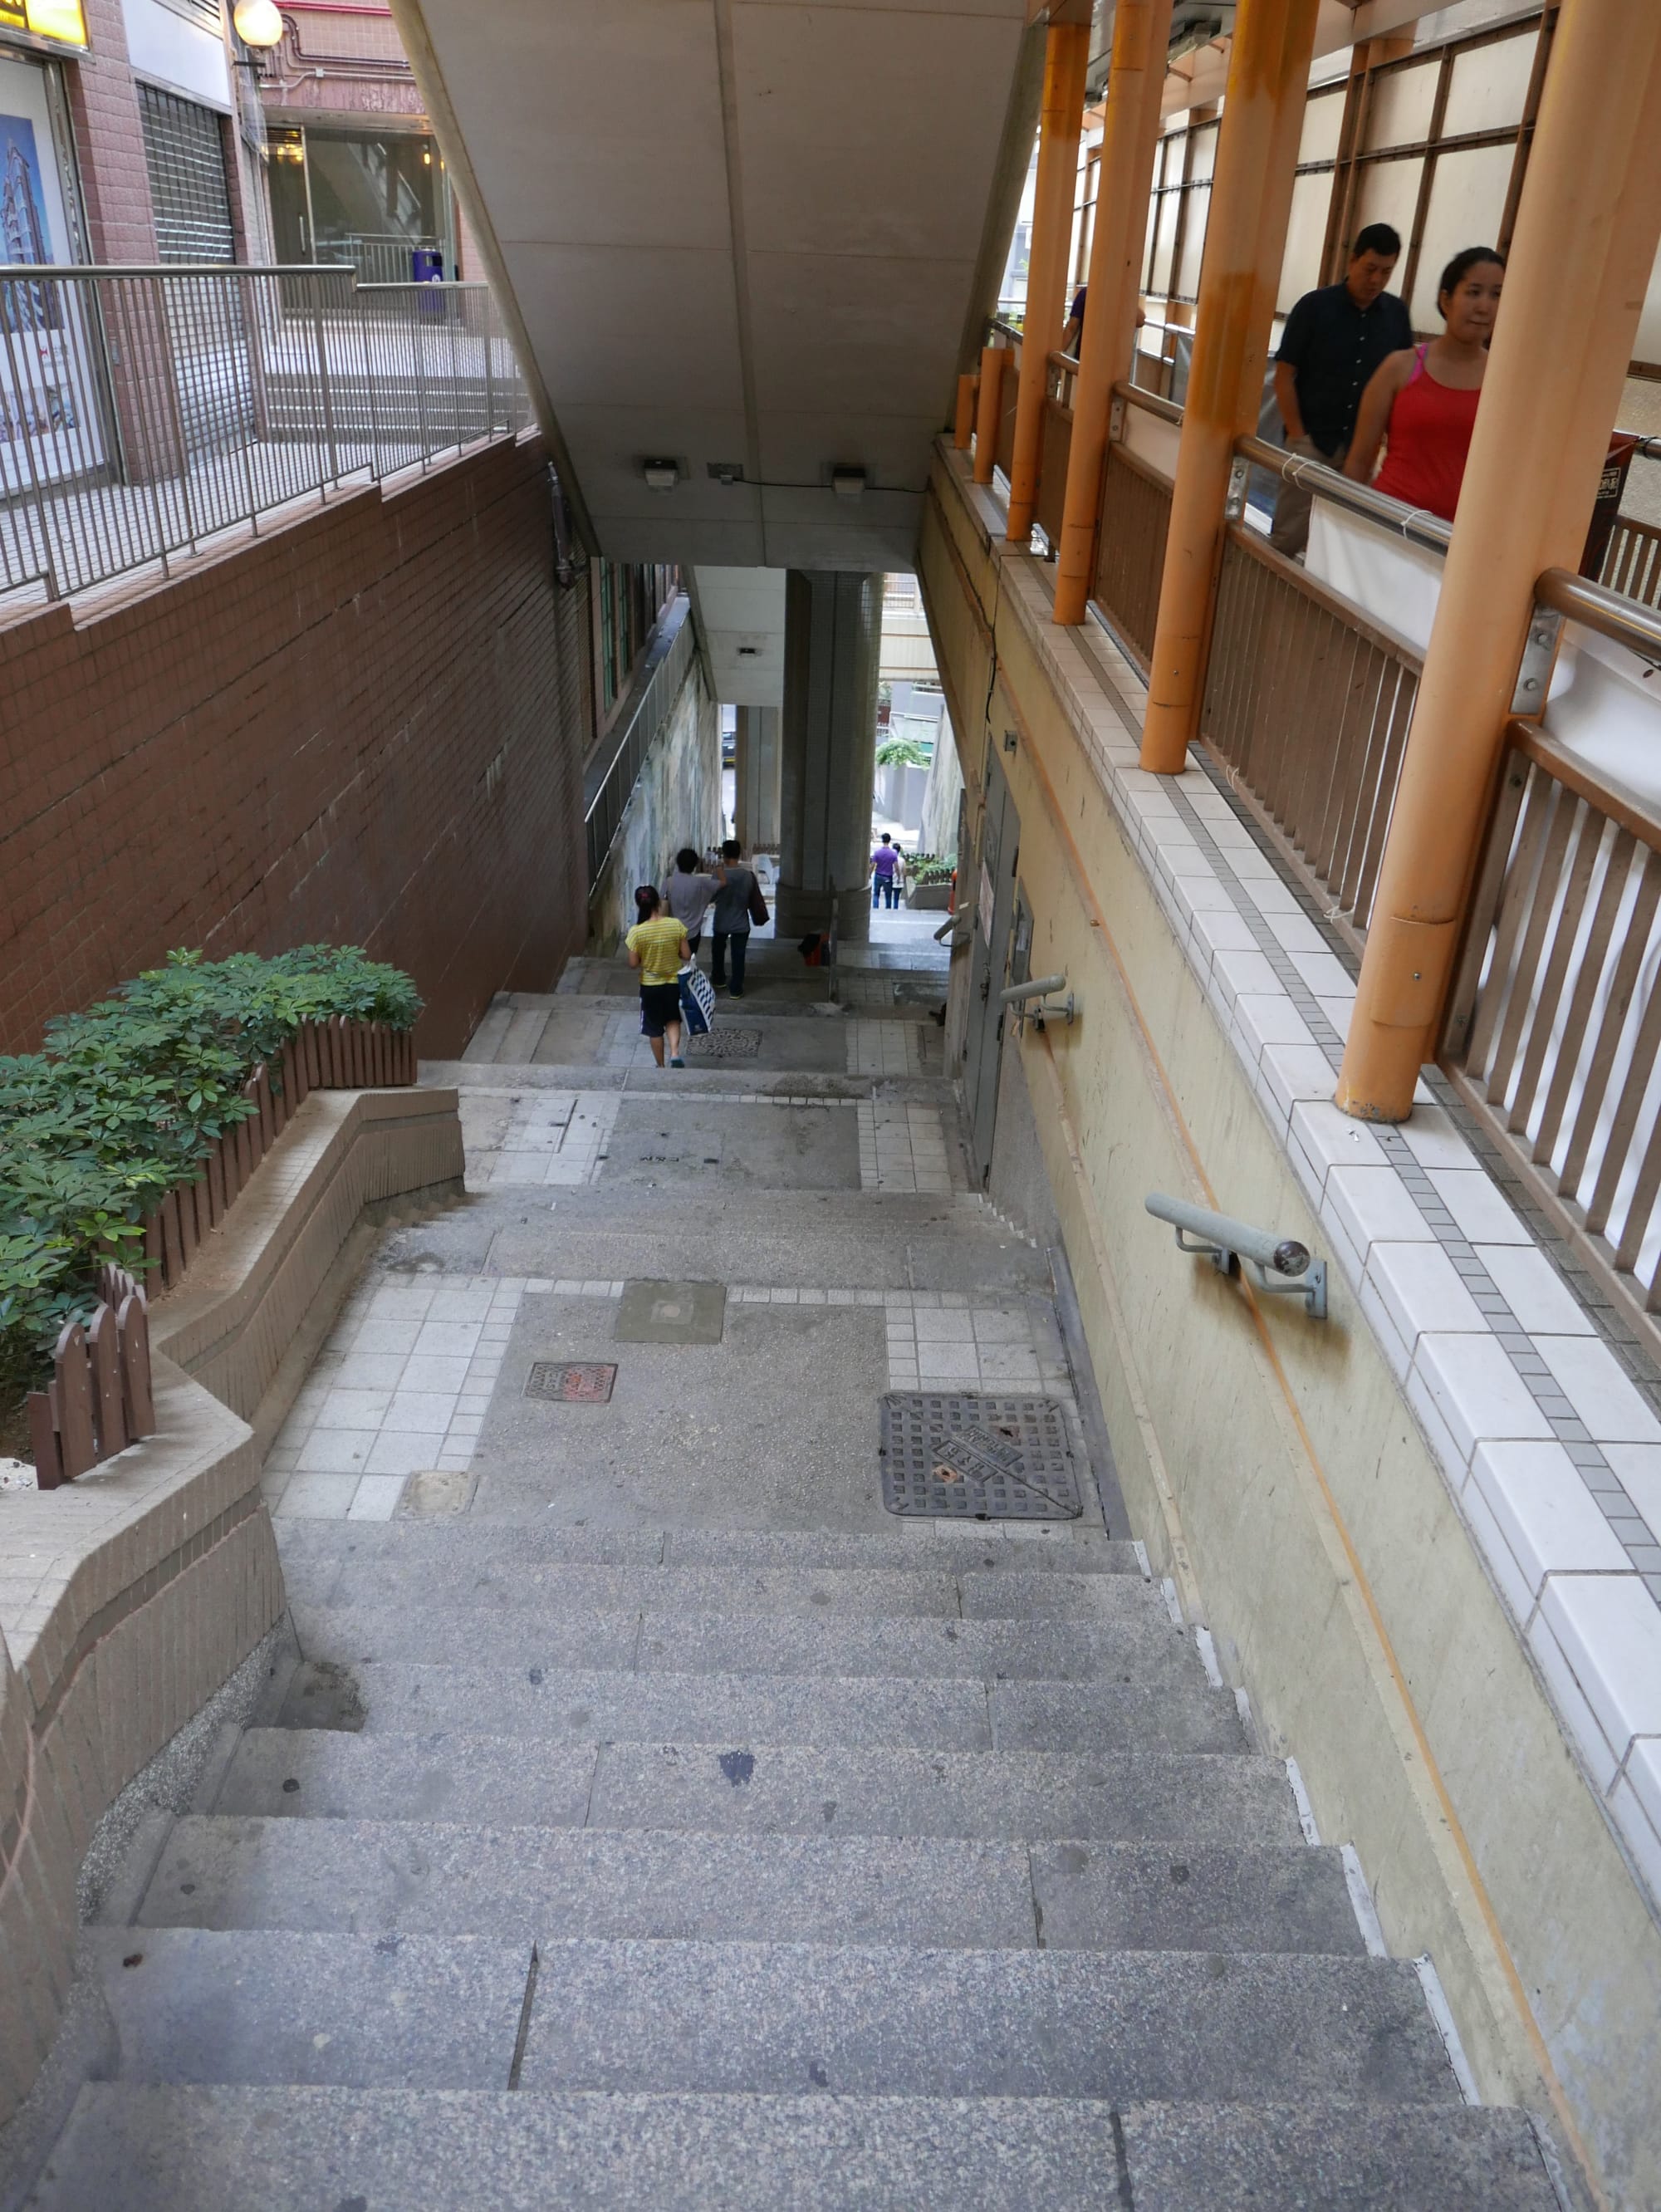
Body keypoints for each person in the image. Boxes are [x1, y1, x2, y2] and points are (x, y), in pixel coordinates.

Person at [1270, 223, 1414, 560]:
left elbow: (1402, 385)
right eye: (1370, 269)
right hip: (1312, 442)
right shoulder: (1314, 307)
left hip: (1362, 450)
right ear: (1352, 262)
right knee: (1289, 535)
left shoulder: (1396, 316)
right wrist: (1297, 435)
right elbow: (1283, 375)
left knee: (1347, 541)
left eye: (1387, 272)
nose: (1377, 280)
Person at [1345, 247, 1504, 526]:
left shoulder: (1506, 380)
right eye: (1473, 292)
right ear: (1446, 299)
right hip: (1388, 524)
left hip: (1458, 542)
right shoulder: (1400, 367)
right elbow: (1359, 462)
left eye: (1496, 294)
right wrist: (1343, 524)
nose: (1484, 306)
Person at [625, 885, 690, 1068]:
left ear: (639, 905)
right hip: (673, 983)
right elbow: (686, 955)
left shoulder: (636, 932)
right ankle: (675, 1053)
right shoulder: (675, 925)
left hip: (650, 986)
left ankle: (660, 1065)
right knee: (672, 1018)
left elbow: (632, 963)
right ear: (658, 902)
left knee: (654, 1027)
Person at [709, 838, 759, 996]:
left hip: (721, 921)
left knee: (718, 951)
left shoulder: (718, 875)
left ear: (724, 855)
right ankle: (736, 989)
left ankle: (718, 979)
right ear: (739, 854)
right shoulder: (748, 876)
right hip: (741, 922)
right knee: (739, 955)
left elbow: (711, 897)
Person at [661, 846, 721, 963]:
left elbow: (661, 903)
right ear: (694, 866)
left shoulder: (669, 881)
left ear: (678, 863)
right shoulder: (701, 883)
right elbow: (722, 884)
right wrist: (719, 870)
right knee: (689, 962)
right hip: (693, 932)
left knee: (672, 962)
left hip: (672, 931)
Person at [870, 832, 900, 910]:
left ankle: (875, 908)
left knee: (876, 894)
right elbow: (896, 867)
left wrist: (869, 874)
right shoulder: (893, 854)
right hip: (888, 876)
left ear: (882, 840)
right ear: (889, 841)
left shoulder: (877, 853)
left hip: (878, 875)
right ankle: (888, 910)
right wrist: (899, 877)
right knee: (888, 895)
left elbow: (873, 865)